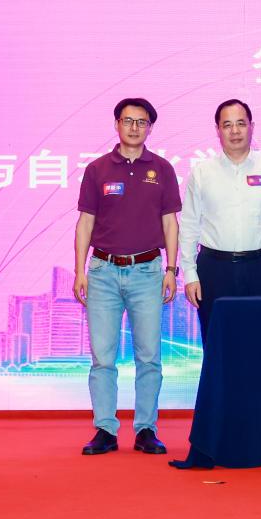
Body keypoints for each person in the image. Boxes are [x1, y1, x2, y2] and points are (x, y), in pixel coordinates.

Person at [74, 97, 181, 456]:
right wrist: (79, 270)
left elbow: (170, 223)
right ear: (116, 125)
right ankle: (105, 429)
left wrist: (171, 269)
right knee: (103, 358)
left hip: (148, 271)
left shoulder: (162, 169)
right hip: (103, 272)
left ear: (150, 128)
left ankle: (146, 429)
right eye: (128, 121)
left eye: (141, 122)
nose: (134, 128)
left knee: (149, 357)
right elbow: (85, 222)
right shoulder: (97, 170)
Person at [179, 99, 261, 341]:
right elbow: (189, 226)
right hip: (213, 269)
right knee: (217, 341)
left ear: (251, 126)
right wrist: (190, 274)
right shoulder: (202, 172)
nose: (235, 131)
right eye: (227, 125)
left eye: (241, 124)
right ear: (218, 130)